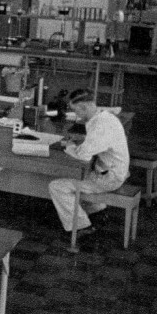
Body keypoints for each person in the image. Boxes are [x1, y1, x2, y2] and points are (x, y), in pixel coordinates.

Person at [48, 88, 130, 235]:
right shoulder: (104, 117)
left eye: (76, 110)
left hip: (110, 178)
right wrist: (81, 142)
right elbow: (96, 144)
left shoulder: (100, 125)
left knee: (57, 186)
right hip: (109, 170)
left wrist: (70, 146)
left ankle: (82, 227)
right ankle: (97, 212)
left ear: (84, 107)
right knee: (80, 178)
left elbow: (83, 156)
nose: (76, 115)